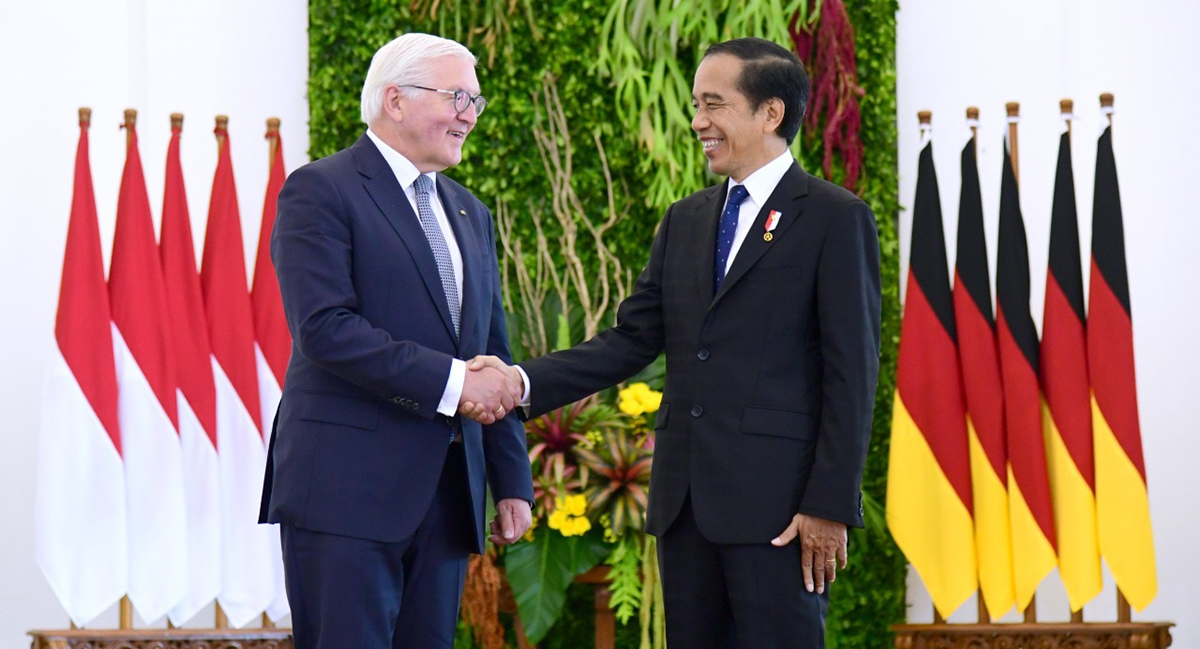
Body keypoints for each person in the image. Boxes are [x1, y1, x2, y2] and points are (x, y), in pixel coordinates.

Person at [465, 37, 881, 647]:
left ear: (771, 112)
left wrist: (830, 503)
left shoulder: (833, 217)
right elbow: (632, 340)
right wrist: (520, 382)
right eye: (695, 105)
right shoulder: (685, 219)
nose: (697, 122)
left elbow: (853, 374)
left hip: (781, 512)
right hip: (685, 510)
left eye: (714, 104)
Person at [259, 33, 533, 649]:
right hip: (345, 494)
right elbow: (325, 328)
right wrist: (456, 383)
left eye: (476, 101)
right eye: (457, 97)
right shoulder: (320, 189)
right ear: (395, 100)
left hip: (446, 497)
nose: (470, 114)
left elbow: (492, 350)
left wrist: (511, 478)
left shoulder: (470, 212)